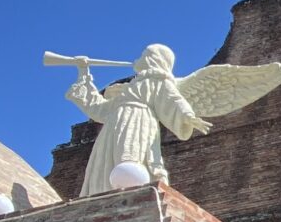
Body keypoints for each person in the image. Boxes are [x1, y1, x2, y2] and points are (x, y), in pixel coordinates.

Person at [65, 44, 207, 196]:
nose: (137, 59)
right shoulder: (126, 90)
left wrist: (188, 116)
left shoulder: (158, 81)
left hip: (138, 121)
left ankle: (132, 189)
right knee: (106, 161)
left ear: (152, 59)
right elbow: (99, 108)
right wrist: (83, 72)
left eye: (143, 55)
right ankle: (103, 191)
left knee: (131, 153)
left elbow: (174, 99)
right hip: (114, 126)